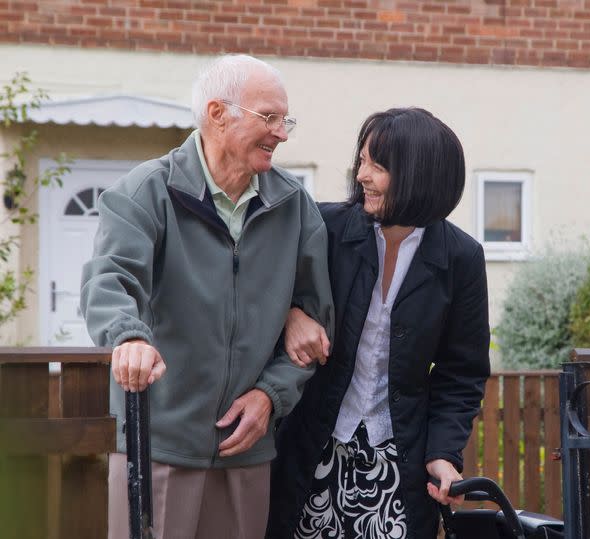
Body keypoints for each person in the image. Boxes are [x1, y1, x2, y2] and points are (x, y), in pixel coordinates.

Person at [80, 54, 333, 539]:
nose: (281, 133)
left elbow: (317, 323)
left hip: (246, 450)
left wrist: (270, 396)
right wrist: (129, 336)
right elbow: (110, 280)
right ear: (218, 113)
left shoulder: (294, 206)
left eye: (286, 120)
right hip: (159, 443)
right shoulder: (145, 192)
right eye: (269, 117)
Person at [268, 107, 491, 539]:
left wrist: (444, 453)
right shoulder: (323, 227)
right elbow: (257, 284)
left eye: (378, 166)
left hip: (399, 460)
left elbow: (461, 374)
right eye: (363, 161)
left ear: (419, 177)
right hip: (311, 447)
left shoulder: (462, 258)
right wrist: (290, 315)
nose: (362, 176)